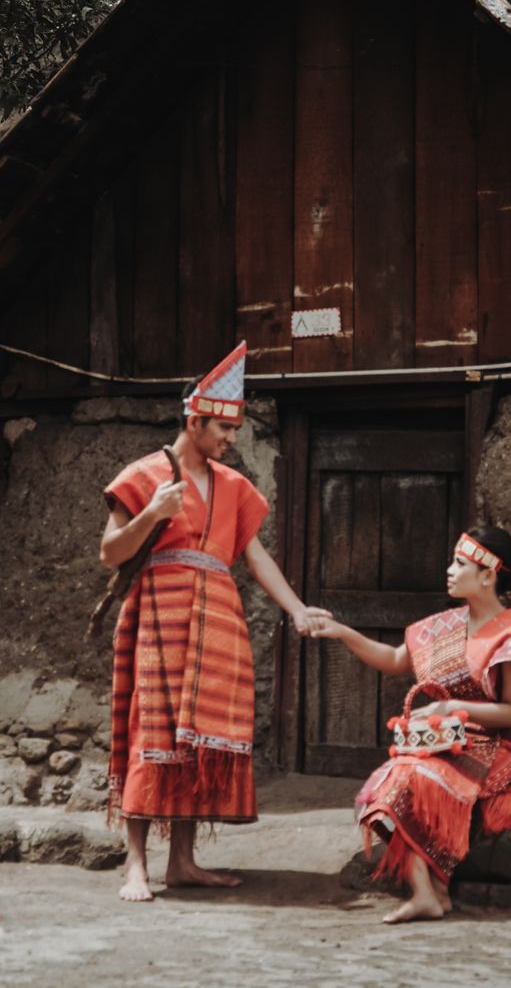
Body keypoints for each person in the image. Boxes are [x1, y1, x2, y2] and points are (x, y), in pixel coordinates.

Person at [100, 342, 328, 902]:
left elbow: (255, 556)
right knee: (151, 735)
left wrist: (296, 608)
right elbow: (110, 552)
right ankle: (137, 865)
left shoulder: (233, 487)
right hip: (159, 614)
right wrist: (153, 512)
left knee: (197, 743)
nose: (231, 440)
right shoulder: (145, 474)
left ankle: (183, 862)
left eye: (234, 429)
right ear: (194, 419)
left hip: (218, 621)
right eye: (223, 429)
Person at [311, 525, 511, 924]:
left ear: (487, 575)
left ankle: (428, 893)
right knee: (400, 775)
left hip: (494, 744)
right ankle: (434, 893)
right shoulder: (445, 625)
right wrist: (342, 632)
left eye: (460, 563)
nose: (449, 570)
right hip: (445, 737)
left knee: (412, 778)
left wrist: (448, 706)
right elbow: (396, 660)